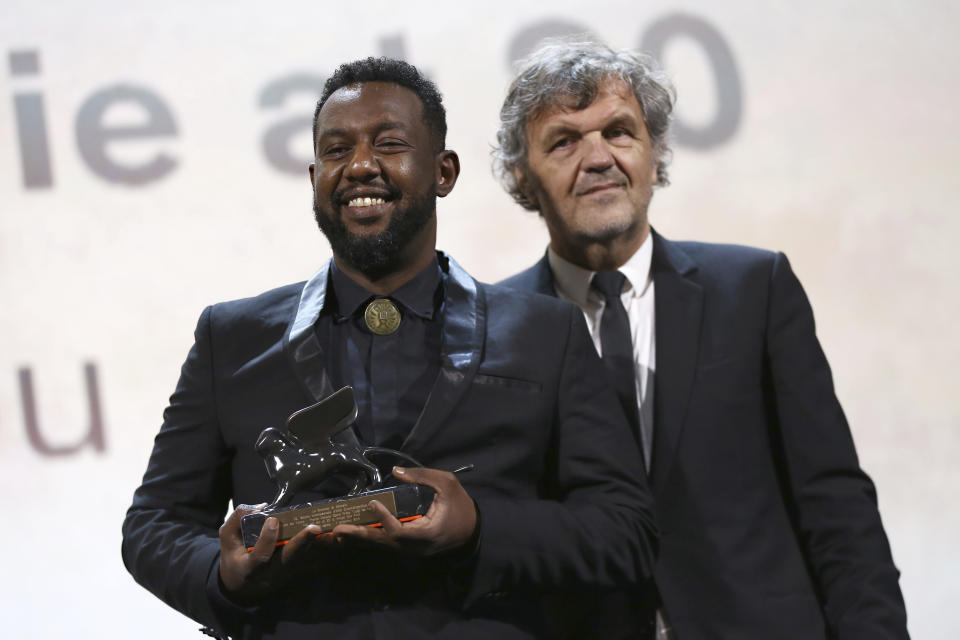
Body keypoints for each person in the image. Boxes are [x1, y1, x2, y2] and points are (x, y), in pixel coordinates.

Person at [121, 57, 657, 639]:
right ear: (313, 178)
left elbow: (625, 531)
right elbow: (154, 525)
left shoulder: (545, 333)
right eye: (335, 150)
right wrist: (220, 575)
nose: (359, 166)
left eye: (389, 143)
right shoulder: (231, 337)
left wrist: (480, 529)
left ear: (443, 172)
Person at [497, 39, 909, 640]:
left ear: (655, 151)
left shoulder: (754, 289)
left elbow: (834, 503)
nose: (598, 158)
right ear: (521, 177)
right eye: (563, 141)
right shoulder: (498, 328)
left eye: (619, 132)